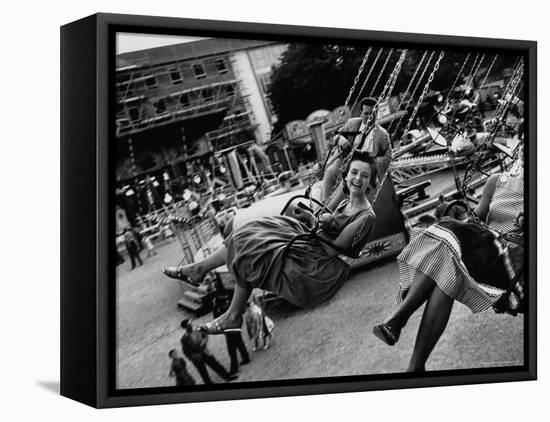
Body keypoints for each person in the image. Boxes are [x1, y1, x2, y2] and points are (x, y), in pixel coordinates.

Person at [163, 151, 377, 335]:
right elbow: (328, 218)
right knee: (249, 231)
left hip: (317, 260)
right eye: (354, 173)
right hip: (312, 242)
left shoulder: (365, 216)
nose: (357, 179)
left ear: (371, 182)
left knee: (254, 246)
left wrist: (313, 222)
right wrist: (314, 218)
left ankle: (227, 305)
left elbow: (332, 249)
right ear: (347, 175)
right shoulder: (347, 202)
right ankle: (203, 276)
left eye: (364, 175)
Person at [372, 168, 524, 372]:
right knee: (446, 268)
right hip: (486, 256)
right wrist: (460, 219)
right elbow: (474, 223)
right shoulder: (496, 182)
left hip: (515, 269)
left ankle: (399, 318)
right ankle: (415, 367)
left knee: (447, 234)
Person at [321, 97, 392, 207]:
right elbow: (335, 137)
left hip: (361, 167)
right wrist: (342, 140)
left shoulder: (382, 134)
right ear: (360, 113)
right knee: (330, 171)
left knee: (345, 182)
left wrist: (371, 160)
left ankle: (328, 210)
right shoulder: (352, 123)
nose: (370, 117)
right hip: (345, 162)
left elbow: (388, 157)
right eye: (366, 113)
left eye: (373, 113)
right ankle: (322, 203)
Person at [179, 319, 237, 384]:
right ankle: (208, 382)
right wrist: (193, 356)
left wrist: (203, 343)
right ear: (185, 327)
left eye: (190, 324)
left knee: (215, 364)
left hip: (204, 351)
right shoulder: (184, 339)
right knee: (203, 372)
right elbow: (186, 351)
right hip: (197, 357)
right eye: (189, 325)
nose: (191, 325)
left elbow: (205, 336)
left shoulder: (197, 330)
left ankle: (227, 377)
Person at [212, 286, 250, 376]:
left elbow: (215, 318)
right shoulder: (230, 305)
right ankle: (246, 358)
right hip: (235, 327)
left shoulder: (220, 309)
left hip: (228, 330)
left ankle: (234, 369)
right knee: (240, 343)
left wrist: (214, 307)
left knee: (231, 350)